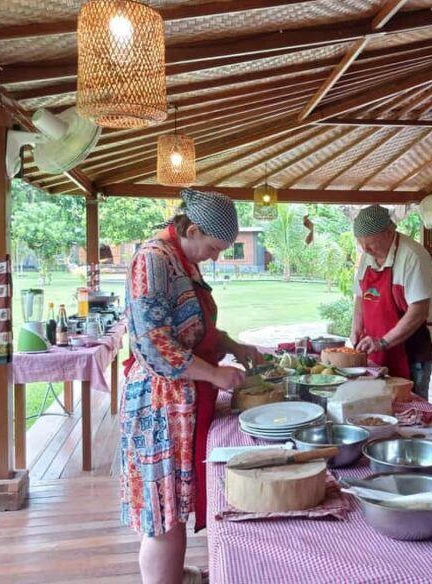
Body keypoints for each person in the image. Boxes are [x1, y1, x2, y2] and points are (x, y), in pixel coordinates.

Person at [120, 189, 264, 584]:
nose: (216, 257)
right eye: (214, 248)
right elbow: (153, 344)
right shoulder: (153, 259)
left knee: (174, 504)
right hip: (158, 404)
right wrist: (216, 374)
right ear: (193, 229)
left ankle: (175, 574)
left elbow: (193, 327)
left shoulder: (182, 260)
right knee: (163, 511)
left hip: (180, 400)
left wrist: (233, 345)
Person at [351, 205, 432, 398]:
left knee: (411, 410)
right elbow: (360, 296)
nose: (365, 249)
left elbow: (419, 311)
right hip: (377, 351)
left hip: (411, 354)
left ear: (389, 232)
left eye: (371, 244)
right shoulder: (368, 257)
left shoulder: (413, 255)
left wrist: (383, 341)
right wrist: (356, 330)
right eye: (361, 244)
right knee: (378, 405)